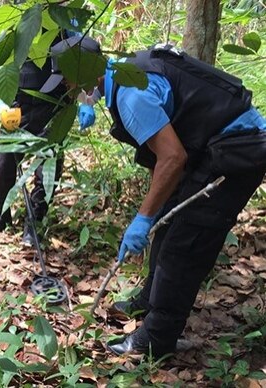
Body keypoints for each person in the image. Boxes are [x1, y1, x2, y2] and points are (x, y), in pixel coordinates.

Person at [97, 44, 266, 358]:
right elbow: (161, 155)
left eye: (67, 82)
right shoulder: (124, 68)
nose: (68, 89)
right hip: (211, 144)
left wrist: (143, 218)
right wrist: (154, 210)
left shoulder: (131, 93)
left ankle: (156, 340)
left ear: (85, 74)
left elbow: (172, 158)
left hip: (236, 150)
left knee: (185, 243)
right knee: (169, 226)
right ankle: (149, 301)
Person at [0, 36, 101, 246]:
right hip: (18, 102)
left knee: (47, 170)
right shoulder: (16, 26)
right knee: (4, 163)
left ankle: (34, 223)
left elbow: (82, 63)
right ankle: (0, 215)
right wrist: (1, 100)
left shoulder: (62, 25)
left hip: (54, 105)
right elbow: (1, 64)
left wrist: (86, 102)